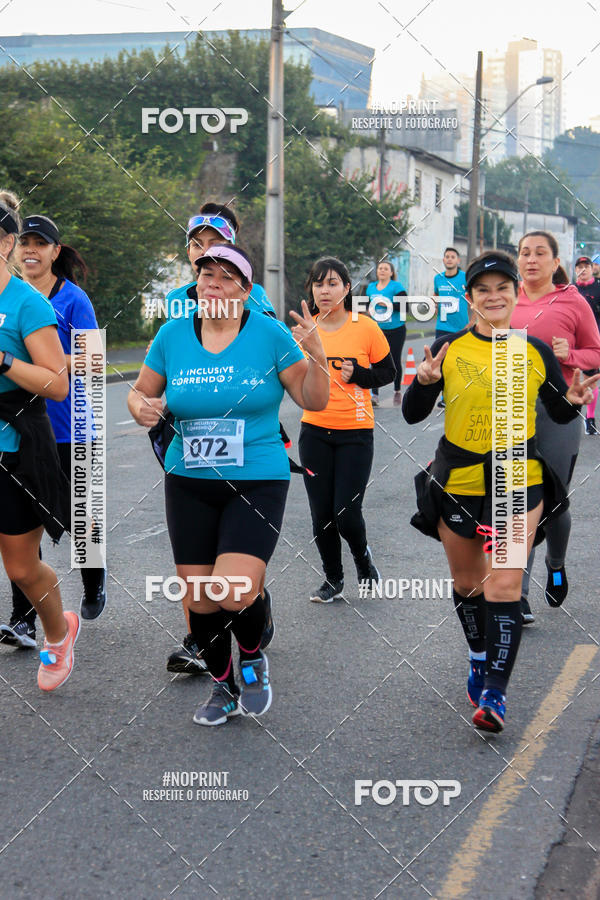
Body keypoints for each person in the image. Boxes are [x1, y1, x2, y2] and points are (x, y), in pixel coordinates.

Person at [128, 244, 329, 725]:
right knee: (198, 599)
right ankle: (224, 687)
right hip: (188, 478)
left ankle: (254, 652)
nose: (212, 283)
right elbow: (140, 392)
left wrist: (318, 359)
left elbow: (313, 400)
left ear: (244, 288)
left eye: (224, 276)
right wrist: (142, 409)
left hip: (257, 477)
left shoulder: (269, 334)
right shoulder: (172, 335)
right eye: (205, 274)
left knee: (234, 591)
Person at [402, 250, 599, 733]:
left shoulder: (533, 350)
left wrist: (572, 401)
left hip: (517, 478)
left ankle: (494, 693)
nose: (493, 297)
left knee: (505, 585)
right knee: (469, 584)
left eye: (502, 288)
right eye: (483, 290)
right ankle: (476, 654)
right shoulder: (449, 348)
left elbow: (556, 411)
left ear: (515, 295)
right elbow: (410, 414)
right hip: (458, 480)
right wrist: (425, 383)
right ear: (470, 299)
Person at [158, 203, 281, 677]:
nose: (204, 253)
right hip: (186, 432)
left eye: (213, 242)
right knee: (195, 554)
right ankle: (201, 636)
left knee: (236, 558)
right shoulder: (176, 301)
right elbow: (165, 358)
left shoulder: (254, 295)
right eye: (196, 245)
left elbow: (265, 350)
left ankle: (252, 603)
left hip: (247, 434)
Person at [0, 214, 106, 649]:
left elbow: (94, 363)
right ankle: (22, 617)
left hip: (69, 424)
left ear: (54, 252)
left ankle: (93, 584)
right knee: (23, 539)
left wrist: (48, 360)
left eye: (39, 244)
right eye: (26, 242)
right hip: (23, 426)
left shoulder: (70, 299)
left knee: (81, 516)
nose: (31, 250)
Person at [0, 191, 78, 691]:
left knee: (23, 567)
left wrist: (3, 363)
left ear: (5, 241)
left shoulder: (26, 303)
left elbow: (57, 383)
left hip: (13, 450)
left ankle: (57, 632)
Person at [512, 232, 600, 624]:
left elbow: (596, 353)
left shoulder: (573, 301)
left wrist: (573, 354)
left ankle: (556, 562)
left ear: (554, 261)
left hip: (560, 408)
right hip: (512, 408)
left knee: (554, 501)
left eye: (540, 254)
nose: (531, 260)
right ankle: (518, 593)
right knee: (518, 499)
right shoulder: (502, 298)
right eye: (525, 253)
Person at [298, 256, 395, 603]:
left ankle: (363, 560)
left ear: (347, 288)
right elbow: (288, 378)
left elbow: (388, 373)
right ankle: (333, 579)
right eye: (319, 283)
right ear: (311, 288)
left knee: (346, 512)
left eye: (333, 283)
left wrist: (361, 376)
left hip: (355, 433)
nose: (325, 290)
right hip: (314, 432)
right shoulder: (304, 330)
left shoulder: (365, 327)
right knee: (321, 514)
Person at [365, 260, 407, 407]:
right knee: (374, 361)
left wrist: (385, 304)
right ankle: (374, 395)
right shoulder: (371, 288)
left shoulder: (396, 287)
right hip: (377, 329)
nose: (382, 270)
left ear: (391, 272)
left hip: (396, 329)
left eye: (385, 268)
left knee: (394, 360)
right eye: (380, 268)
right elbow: (366, 305)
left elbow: (405, 306)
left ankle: (397, 390)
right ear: (377, 272)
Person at [433, 248, 468, 409]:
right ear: (443, 260)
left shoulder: (465, 278)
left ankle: (461, 394)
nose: (449, 259)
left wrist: (473, 322)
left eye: (453, 257)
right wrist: (434, 304)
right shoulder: (438, 278)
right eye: (447, 256)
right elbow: (435, 295)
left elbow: (474, 300)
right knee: (443, 362)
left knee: (460, 363)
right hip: (443, 325)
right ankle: (445, 396)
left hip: (462, 327)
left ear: (458, 260)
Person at [573, 255, 600, 435]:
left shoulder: (598, 288)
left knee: (591, 378)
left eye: (586, 266)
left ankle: (590, 419)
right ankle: (568, 416)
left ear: (592, 269)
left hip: (593, 340)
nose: (583, 270)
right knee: (569, 378)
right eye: (579, 267)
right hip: (573, 341)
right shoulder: (570, 290)